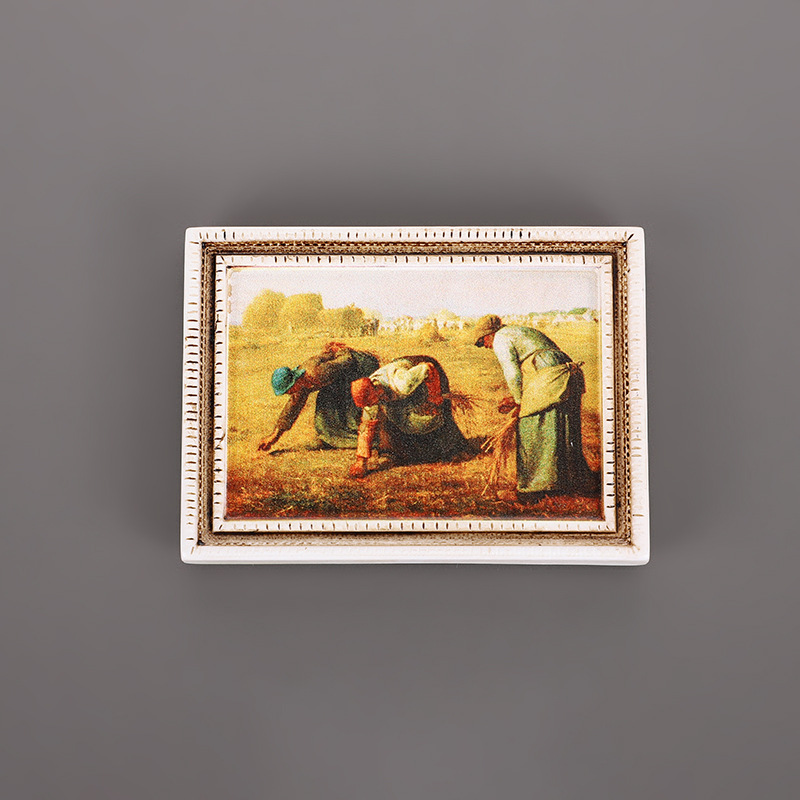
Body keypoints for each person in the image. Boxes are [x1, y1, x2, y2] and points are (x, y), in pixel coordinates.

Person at [473, 314, 597, 498]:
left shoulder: (500, 338)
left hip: (550, 374)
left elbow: (512, 373)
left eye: (482, 342)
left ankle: (533, 489)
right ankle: (570, 481)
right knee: (562, 426)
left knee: (530, 425)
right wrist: (517, 397)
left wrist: (519, 402)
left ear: (489, 334)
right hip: (564, 372)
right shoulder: (517, 331)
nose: (485, 346)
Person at [348, 356, 469, 478]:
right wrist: (361, 462)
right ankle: (390, 454)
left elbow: (428, 368)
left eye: (370, 402)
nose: (369, 406)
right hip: (401, 382)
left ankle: (454, 449)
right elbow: (366, 427)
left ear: (376, 390)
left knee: (434, 415)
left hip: (425, 372)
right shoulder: (371, 395)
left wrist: (434, 397)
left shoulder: (402, 383)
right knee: (393, 417)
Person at [257, 342, 379, 452]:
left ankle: (371, 438)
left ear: (294, 381)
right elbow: (293, 407)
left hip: (362, 367)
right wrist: (274, 437)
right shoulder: (301, 383)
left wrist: (340, 350)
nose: (289, 393)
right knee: (325, 402)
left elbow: (347, 360)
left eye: (288, 390)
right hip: (343, 375)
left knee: (346, 403)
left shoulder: (317, 372)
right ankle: (331, 438)